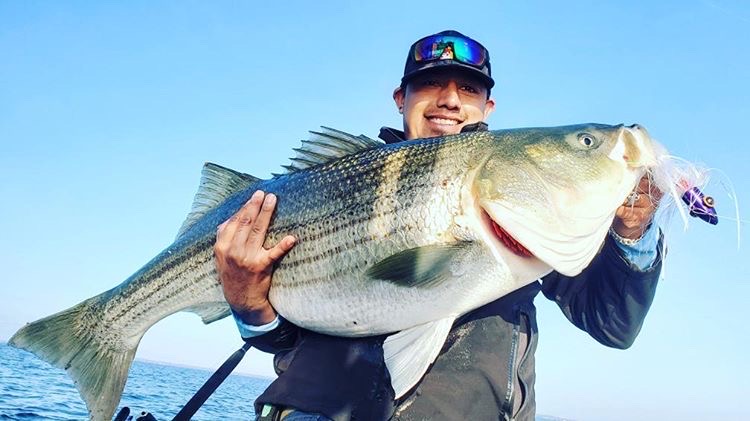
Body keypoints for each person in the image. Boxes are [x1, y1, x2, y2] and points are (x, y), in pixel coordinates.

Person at [214, 30, 664, 421]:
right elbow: (282, 339)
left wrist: (632, 235)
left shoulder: (541, 220)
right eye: (429, 83)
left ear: (487, 106)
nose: (449, 100)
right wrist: (247, 303)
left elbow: (613, 325)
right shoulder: (333, 188)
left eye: (468, 90)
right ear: (400, 99)